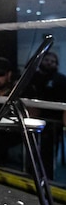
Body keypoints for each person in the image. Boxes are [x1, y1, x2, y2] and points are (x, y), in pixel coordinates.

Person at [29, 51, 66, 179]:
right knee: (31, 149)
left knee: (48, 153)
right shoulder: (33, 77)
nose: (49, 63)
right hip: (33, 119)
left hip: (53, 123)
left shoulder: (61, 79)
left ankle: (47, 178)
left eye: (53, 61)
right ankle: (30, 174)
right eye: (47, 60)